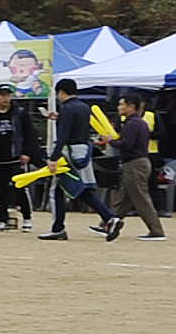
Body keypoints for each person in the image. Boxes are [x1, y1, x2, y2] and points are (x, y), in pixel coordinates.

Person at [42, 78, 121, 241]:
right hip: (83, 150)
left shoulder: (66, 109)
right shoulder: (84, 107)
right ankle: (109, 217)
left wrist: (54, 157)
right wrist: (59, 117)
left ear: (61, 92)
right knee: (82, 189)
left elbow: (63, 135)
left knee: (57, 188)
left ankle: (58, 228)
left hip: (69, 152)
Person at [0, 83, 38, 229]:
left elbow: (29, 134)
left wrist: (27, 152)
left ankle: (27, 218)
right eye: (2, 95)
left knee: (20, 188)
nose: (5, 98)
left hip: (16, 157)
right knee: (0, 190)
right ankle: (2, 219)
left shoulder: (19, 113)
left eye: (7, 95)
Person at [112, 92, 167, 238]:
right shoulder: (138, 122)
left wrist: (110, 141)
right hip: (138, 162)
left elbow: (126, 145)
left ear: (131, 107)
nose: (119, 107)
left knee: (141, 198)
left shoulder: (132, 123)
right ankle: (109, 223)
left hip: (135, 164)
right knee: (123, 198)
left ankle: (156, 230)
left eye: (122, 104)